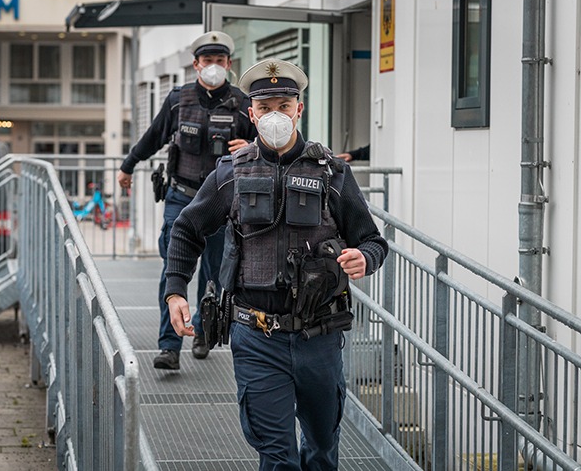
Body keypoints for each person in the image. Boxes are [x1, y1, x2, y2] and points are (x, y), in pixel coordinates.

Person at [163, 58, 388, 469]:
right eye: (265, 108)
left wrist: (365, 258)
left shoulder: (333, 174)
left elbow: (372, 240)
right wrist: (176, 289)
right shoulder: (231, 174)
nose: (274, 116)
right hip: (257, 337)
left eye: (283, 105)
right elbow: (187, 228)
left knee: (321, 449)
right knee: (277, 456)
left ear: (299, 109)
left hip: (319, 338)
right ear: (251, 113)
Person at [118, 31, 257, 371]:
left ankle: (203, 332)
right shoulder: (178, 100)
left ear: (229, 64)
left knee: (212, 274)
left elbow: (274, 144)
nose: (213, 67)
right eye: (207, 61)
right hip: (181, 197)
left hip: (223, 206)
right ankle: (169, 347)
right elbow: (153, 136)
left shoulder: (242, 104)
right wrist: (128, 165)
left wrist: (253, 148)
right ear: (196, 64)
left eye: (220, 61)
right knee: (173, 271)